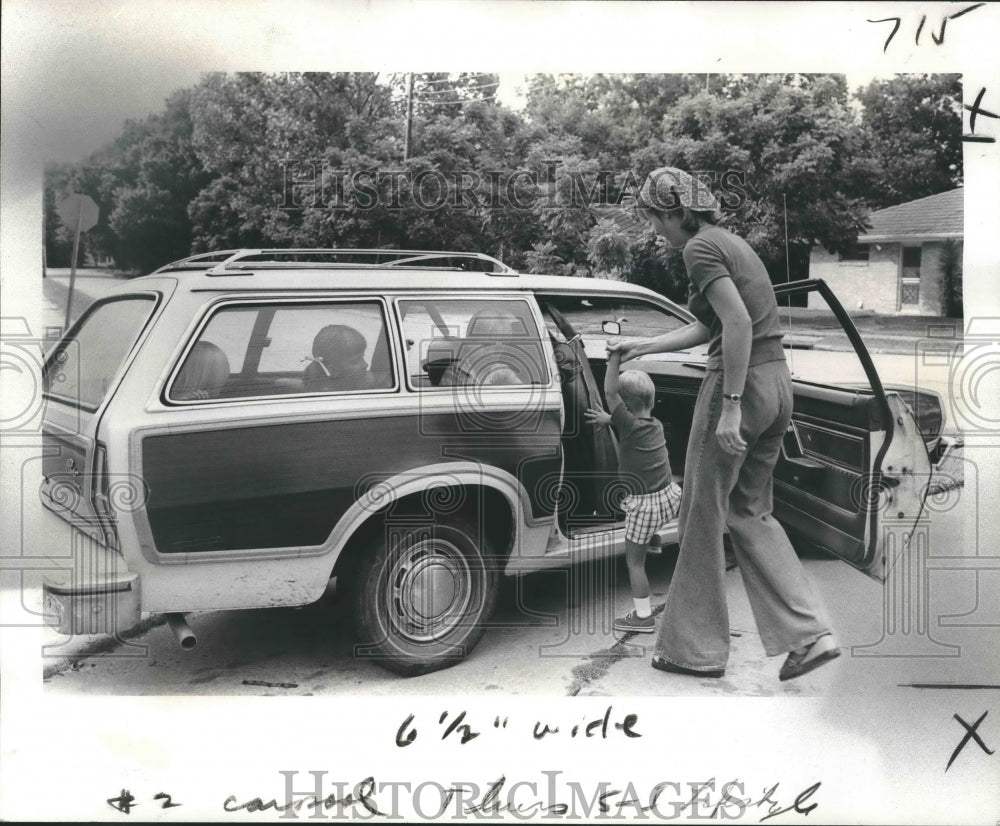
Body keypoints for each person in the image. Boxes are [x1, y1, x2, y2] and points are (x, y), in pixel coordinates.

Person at [612, 166, 839, 681]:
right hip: (778, 383)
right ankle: (810, 634)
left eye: (654, 220)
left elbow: (735, 325)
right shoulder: (729, 243)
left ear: (674, 212)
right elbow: (711, 322)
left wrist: (731, 404)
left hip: (738, 388)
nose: (655, 231)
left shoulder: (698, 249)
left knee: (699, 514)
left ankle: (694, 651)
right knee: (749, 512)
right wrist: (646, 346)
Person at [585, 348, 683, 633]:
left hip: (644, 506)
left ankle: (643, 617)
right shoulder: (655, 424)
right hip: (669, 496)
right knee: (650, 521)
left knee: (634, 562)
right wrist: (610, 418)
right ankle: (653, 538)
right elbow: (622, 413)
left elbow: (610, 391)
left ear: (625, 407)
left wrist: (614, 358)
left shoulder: (627, 424)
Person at [304, 324, 374, 392]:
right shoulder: (331, 394)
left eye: (362, 357)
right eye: (355, 361)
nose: (365, 364)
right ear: (331, 370)